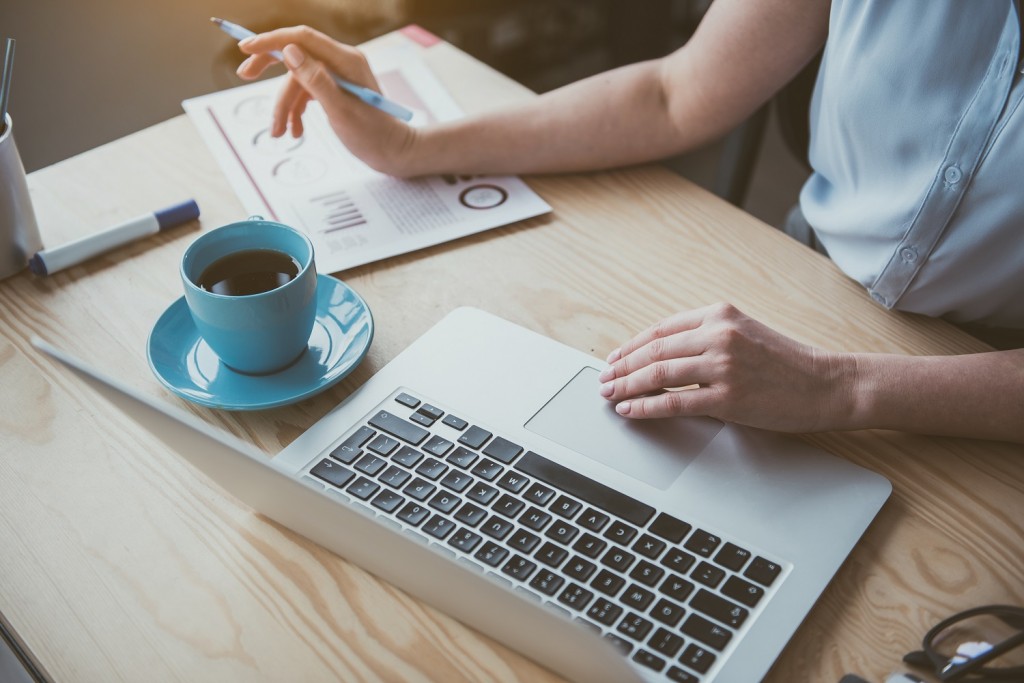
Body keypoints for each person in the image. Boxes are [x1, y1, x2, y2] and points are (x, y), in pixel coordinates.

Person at [235, 0, 1024, 444]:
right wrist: (414, 146)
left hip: (976, 384)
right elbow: (674, 94)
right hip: (803, 289)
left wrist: (840, 387)